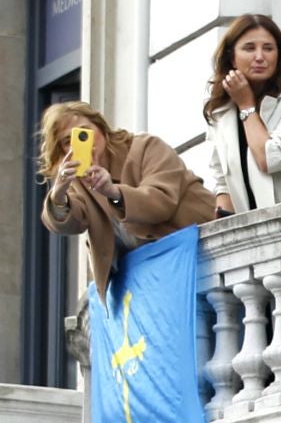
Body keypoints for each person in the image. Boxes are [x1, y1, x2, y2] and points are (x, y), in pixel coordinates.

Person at [39, 101, 217, 297]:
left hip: (201, 259)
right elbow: (71, 223)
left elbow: (160, 203)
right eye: (67, 141)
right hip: (152, 281)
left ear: (102, 128)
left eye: (84, 133)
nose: (78, 144)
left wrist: (113, 192)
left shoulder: (145, 148)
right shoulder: (77, 182)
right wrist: (58, 193)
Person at [202, 13, 281, 214]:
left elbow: (270, 159)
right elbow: (221, 180)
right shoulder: (220, 107)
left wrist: (246, 106)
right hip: (248, 232)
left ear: (279, 55)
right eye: (249, 48)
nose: (259, 57)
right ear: (232, 57)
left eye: (268, 48)